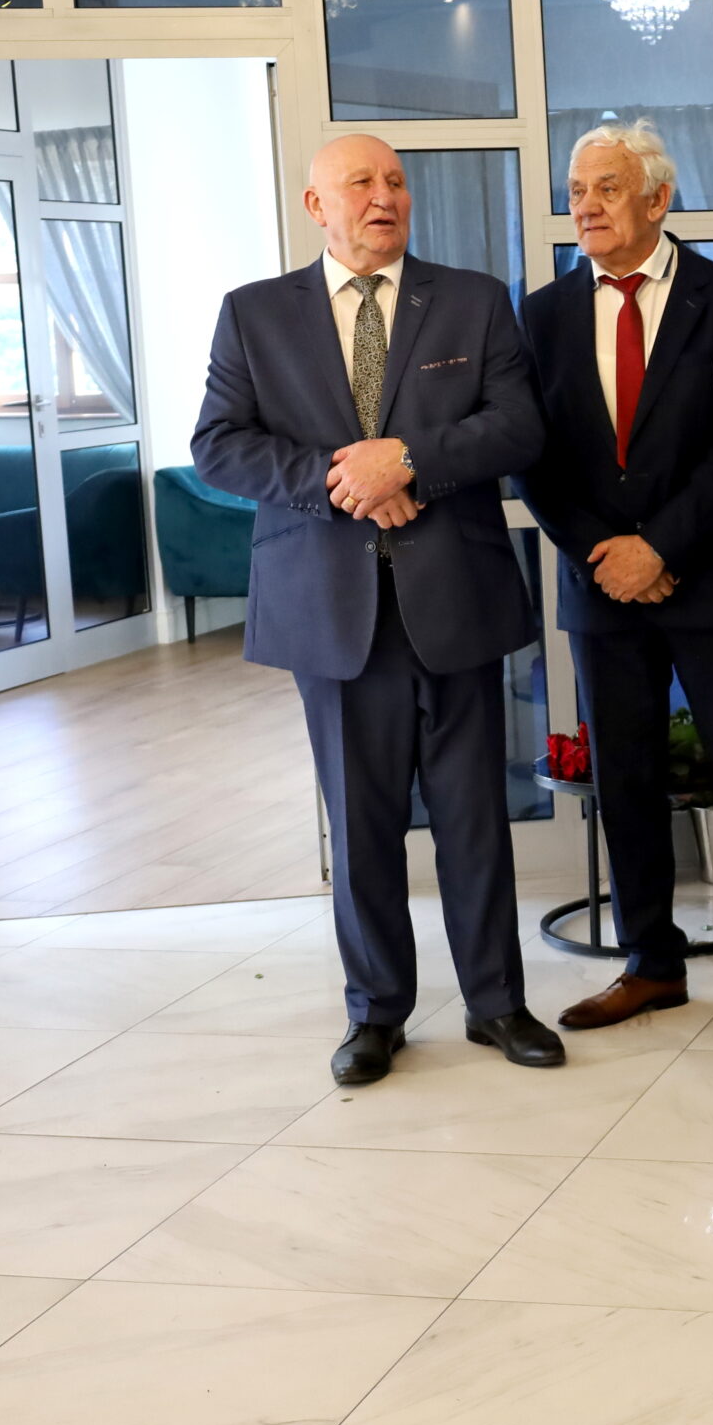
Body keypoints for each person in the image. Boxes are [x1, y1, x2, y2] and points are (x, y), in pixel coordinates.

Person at [192, 133, 565, 1087]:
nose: (382, 196)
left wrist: (406, 461)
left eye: (394, 181)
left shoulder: (473, 299)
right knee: (360, 829)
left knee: (474, 817)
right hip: (330, 607)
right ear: (316, 206)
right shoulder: (254, 313)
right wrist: (344, 481)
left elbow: (518, 426)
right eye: (359, 183)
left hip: (456, 597)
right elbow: (220, 444)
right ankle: (375, 1013)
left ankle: (496, 1002)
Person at [517, 121, 713, 1041]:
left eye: (606, 188)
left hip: (712, 577)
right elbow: (533, 457)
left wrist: (660, 549)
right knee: (626, 779)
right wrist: (606, 554)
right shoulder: (542, 314)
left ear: (658, 199)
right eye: (577, 190)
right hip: (601, 588)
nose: (585, 206)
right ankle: (651, 963)